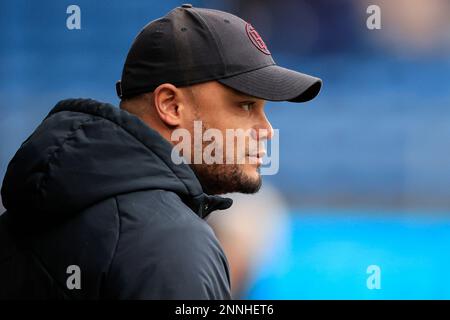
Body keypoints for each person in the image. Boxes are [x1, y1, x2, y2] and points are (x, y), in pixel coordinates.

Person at [0, 4, 321, 299]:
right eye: (246, 105)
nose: (266, 131)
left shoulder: (36, 212)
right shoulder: (173, 244)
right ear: (171, 105)